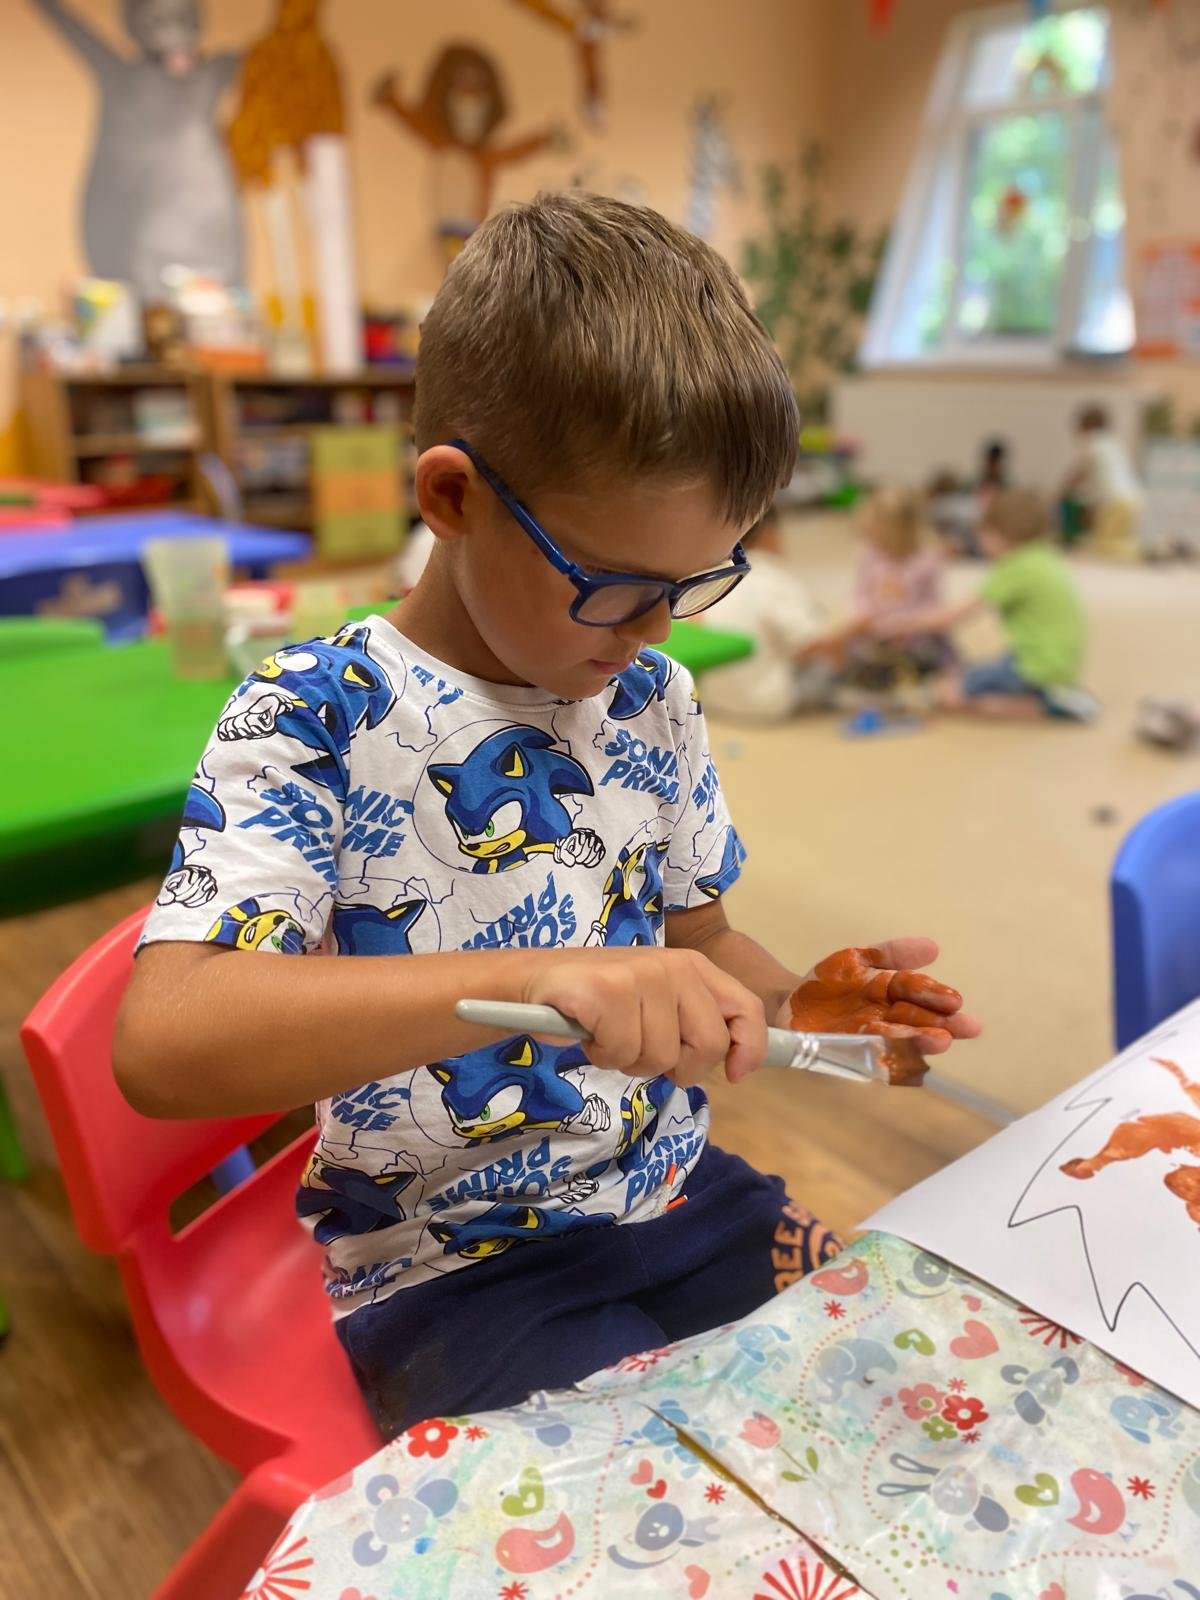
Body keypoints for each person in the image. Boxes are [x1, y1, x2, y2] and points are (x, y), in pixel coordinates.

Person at [114, 192, 979, 1440]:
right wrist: (539, 975)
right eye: (617, 585)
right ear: (453, 497)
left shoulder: (653, 699)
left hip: (679, 1191)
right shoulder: (315, 714)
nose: (656, 630)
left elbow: (696, 937)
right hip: (453, 1267)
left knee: (893, 1400)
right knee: (666, 1501)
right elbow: (166, 1042)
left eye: (695, 582)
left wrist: (796, 1003)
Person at [881, 489, 1095, 722]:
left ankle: (1049, 705)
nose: (981, 544)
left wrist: (899, 624)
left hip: (1033, 667)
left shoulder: (1016, 567)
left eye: (983, 536)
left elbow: (952, 617)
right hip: (1060, 665)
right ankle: (1052, 696)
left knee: (949, 693)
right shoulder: (1044, 556)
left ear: (999, 534)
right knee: (977, 672)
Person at [698, 507, 834, 722]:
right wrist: (857, 630)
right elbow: (808, 644)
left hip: (715, 700)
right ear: (769, 532)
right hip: (763, 703)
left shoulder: (716, 574)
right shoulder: (772, 576)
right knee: (832, 658)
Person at [835, 487, 954, 694]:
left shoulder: (926, 561)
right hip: (875, 631)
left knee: (938, 654)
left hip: (913, 634)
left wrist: (907, 625)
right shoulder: (870, 555)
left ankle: (912, 675)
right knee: (848, 650)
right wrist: (865, 617)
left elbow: (934, 606)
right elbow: (860, 594)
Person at [1061, 403, 1143, 561]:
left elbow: (1079, 474)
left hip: (1113, 502)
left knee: (1105, 546)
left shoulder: (1092, 442)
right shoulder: (1113, 443)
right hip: (1133, 499)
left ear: (1087, 426)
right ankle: (1142, 551)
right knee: (1118, 542)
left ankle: (1144, 552)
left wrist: (1061, 493)